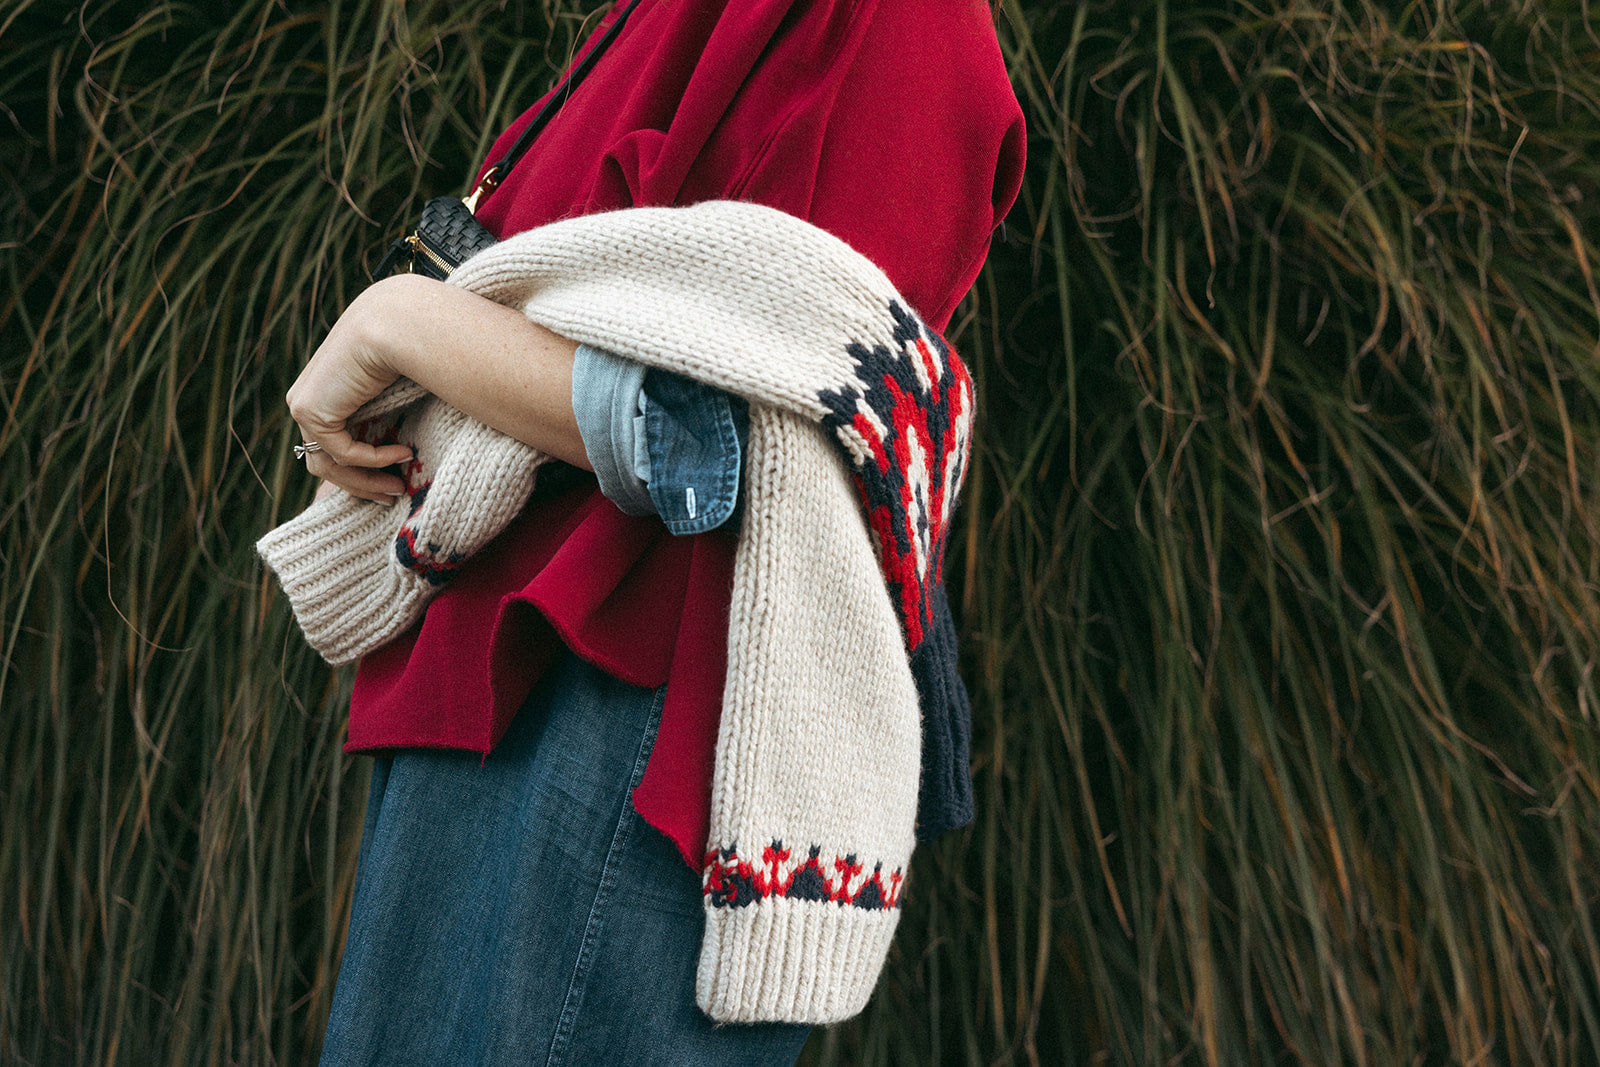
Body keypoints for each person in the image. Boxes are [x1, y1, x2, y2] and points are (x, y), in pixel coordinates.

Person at [266, 0, 1023, 1061]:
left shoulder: (886, 22)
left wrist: (401, 322)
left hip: (624, 726)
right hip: (504, 691)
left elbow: (715, 437)